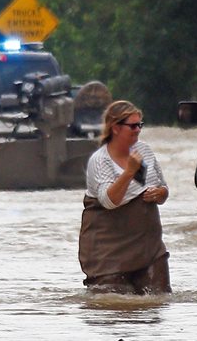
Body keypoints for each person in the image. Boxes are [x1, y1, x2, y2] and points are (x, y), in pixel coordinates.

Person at [78, 100, 171, 294]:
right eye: (133, 125)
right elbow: (108, 201)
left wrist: (161, 193)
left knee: (159, 300)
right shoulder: (100, 160)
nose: (138, 130)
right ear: (116, 128)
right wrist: (129, 172)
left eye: (140, 125)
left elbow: (163, 187)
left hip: (149, 248)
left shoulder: (144, 150)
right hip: (109, 252)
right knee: (115, 306)